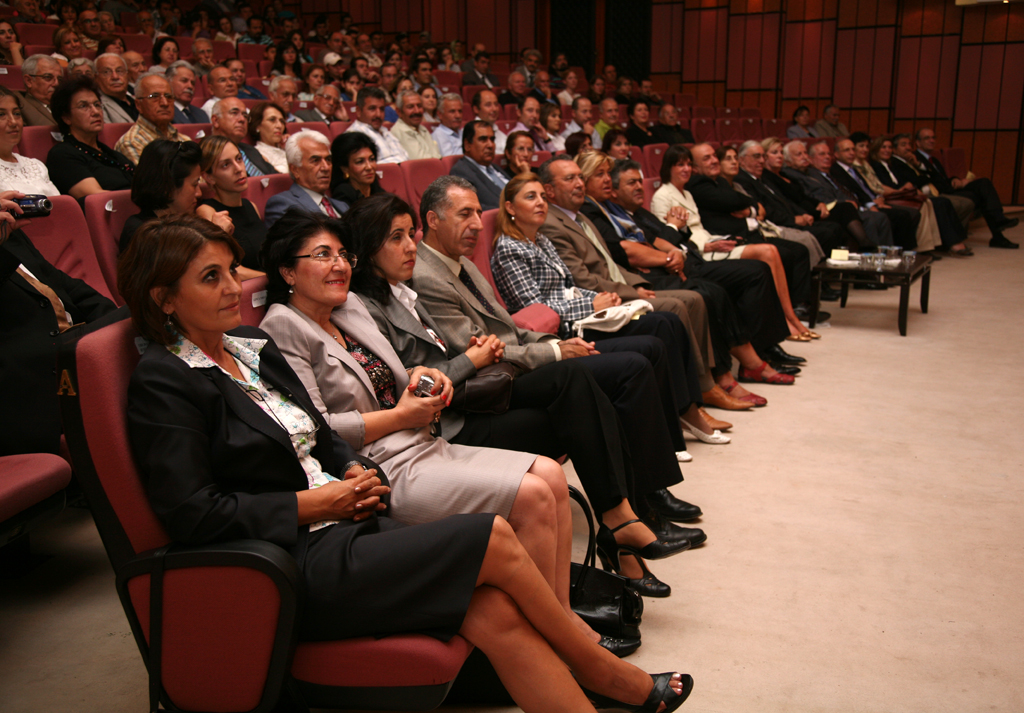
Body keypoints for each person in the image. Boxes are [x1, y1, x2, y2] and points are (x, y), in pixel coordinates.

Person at [119, 213, 693, 712]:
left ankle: (594, 683)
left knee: (492, 608)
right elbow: (192, 513)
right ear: (163, 298)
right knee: (492, 535)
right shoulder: (164, 381)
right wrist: (313, 503)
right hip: (294, 559)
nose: (232, 288)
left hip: (347, 521)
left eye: (230, 271)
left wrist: (352, 472)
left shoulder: (248, 348)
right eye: (210, 277)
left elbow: (321, 436)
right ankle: (600, 670)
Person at [258, 207, 595, 642]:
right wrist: (400, 416)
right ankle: (557, 634)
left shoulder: (350, 306)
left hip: (420, 440)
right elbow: (315, 430)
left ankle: (560, 617)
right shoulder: (283, 326)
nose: (339, 265)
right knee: (532, 495)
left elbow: (392, 376)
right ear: (288, 270)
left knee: (550, 474)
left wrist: (423, 376)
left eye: (343, 254)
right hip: (376, 466)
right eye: (323, 255)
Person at [375, 181, 705, 587]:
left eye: (478, 212)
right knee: (596, 378)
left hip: (504, 370)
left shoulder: (461, 265)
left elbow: (508, 328)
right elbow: (476, 351)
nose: (477, 224)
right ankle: (629, 518)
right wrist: (553, 352)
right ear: (433, 219)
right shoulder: (422, 278)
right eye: (465, 214)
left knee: (611, 378)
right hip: (483, 390)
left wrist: (553, 342)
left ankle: (631, 517)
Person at [491, 174, 734, 436]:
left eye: (542, 196)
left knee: (668, 320)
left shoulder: (540, 240)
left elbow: (569, 286)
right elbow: (534, 309)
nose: (541, 202)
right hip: (566, 331)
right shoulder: (509, 248)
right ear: (510, 207)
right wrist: (592, 305)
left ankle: (687, 408)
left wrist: (604, 298)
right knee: (659, 325)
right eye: (531, 197)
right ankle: (683, 413)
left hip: (583, 316)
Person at [593, 158, 790, 401]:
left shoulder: (634, 212)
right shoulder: (601, 215)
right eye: (631, 182)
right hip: (652, 274)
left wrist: (675, 250)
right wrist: (671, 245)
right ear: (614, 190)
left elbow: (659, 241)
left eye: (639, 182)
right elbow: (630, 251)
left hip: (683, 261)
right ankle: (726, 374)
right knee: (709, 292)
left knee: (755, 271)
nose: (639, 187)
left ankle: (763, 350)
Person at [653, 144, 815, 342]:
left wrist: (717, 240)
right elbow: (667, 238)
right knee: (766, 252)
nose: (686, 169)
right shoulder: (662, 196)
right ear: (668, 168)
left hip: (711, 242)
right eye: (680, 165)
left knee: (772, 251)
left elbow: (700, 228)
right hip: (699, 252)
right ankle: (785, 320)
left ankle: (790, 317)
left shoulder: (686, 193)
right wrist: (705, 246)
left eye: (688, 164)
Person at [0, 189, 117, 457]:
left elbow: (62, 283)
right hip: (29, 371)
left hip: (75, 343)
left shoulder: (8, 231)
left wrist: (113, 323)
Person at [914, 126, 1019, 249]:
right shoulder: (916, 159)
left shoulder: (933, 159)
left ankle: (998, 227)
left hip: (950, 187)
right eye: (927, 138)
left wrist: (955, 179)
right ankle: (998, 231)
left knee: (984, 183)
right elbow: (928, 179)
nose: (932, 141)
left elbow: (942, 178)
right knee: (982, 196)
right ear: (918, 142)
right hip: (941, 192)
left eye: (933, 138)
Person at [120, 140, 227, 252]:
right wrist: (216, 238)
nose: (199, 193)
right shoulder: (142, 232)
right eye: (194, 184)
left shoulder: (187, 222)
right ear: (169, 187)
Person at [871, 134, 969, 256]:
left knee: (931, 202)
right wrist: (903, 188)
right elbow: (884, 185)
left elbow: (915, 178)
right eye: (883, 147)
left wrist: (908, 185)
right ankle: (926, 247)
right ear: (876, 149)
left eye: (889, 147)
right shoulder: (876, 165)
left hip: (904, 194)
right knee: (929, 203)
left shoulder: (890, 164)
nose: (887, 150)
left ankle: (934, 245)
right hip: (893, 197)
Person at [46, 77, 134, 198]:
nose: (96, 112)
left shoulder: (111, 154)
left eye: (97, 105)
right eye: (83, 106)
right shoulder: (62, 155)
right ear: (66, 117)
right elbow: (97, 198)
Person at [197, 135, 266, 278]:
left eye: (239, 159)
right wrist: (273, 280)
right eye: (225, 165)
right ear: (209, 177)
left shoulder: (251, 206)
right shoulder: (207, 211)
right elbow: (228, 269)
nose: (238, 169)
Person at [263, 129, 348, 227]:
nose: (326, 167)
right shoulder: (283, 205)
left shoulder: (343, 206)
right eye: (315, 161)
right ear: (295, 170)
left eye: (328, 159)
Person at [114, 73, 191, 165]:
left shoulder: (185, 139)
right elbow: (149, 175)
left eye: (168, 96)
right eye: (154, 96)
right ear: (138, 105)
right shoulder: (132, 143)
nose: (165, 103)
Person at [0, 88, 58, 195]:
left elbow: (60, 203)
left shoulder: (35, 166)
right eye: (1, 115)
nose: (13, 122)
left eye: (17, 113)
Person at [450, 120, 506, 210]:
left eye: (492, 139)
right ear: (467, 145)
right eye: (483, 139)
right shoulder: (461, 172)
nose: (490, 145)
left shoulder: (495, 167)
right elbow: (472, 207)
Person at [345, 87, 409, 164]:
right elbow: (368, 166)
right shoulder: (354, 136)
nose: (378, 114)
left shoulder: (385, 131)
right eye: (372, 108)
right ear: (358, 111)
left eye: (381, 109)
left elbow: (406, 157)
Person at [329, 132, 384, 206]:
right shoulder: (344, 193)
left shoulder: (375, 188)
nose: (369, 167)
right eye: (360, 162)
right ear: (344, 168)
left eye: (371, 159)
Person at [390, 90, 441, 160]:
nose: (417, 111)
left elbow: (437, 155)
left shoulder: (422, 129)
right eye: (410, 107)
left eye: (419, 106)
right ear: (399, 112)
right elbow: (422, 161)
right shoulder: (399, 132)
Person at [18, 55, 61, 127]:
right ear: (29, 81)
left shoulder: (67, 104)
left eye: (59, 79)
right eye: (48, 77)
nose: (56, 83)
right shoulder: (21, 106)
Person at [247, 101, 288, 174]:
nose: (279, 125)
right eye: (272, 120)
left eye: (282, 121)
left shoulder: (287, 149)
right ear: (257, 125)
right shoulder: (257, 155)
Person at [470, 88, 508, 153]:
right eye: (488, 105)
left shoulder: (503, 136)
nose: (494, 109)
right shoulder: (468, 133)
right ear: (476, 109)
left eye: (496, 104)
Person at [431, 93, 463, 157]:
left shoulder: (463, 132)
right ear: (440, 114)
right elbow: (450, 161)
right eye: (452, 111)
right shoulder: (439, 135)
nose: (458, 116)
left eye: (460, 111)